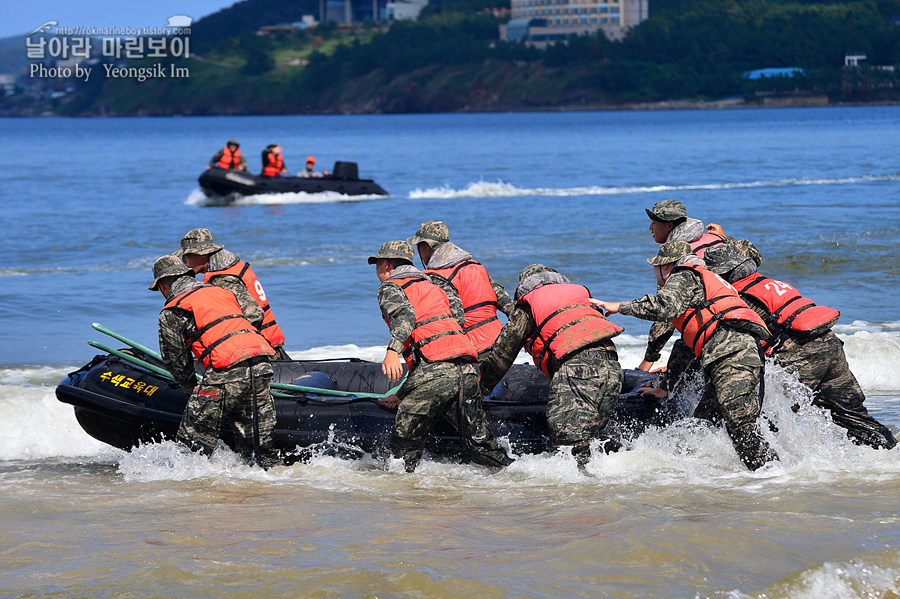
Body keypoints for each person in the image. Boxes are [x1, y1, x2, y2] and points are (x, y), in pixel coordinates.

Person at [594, 240, 779, 471]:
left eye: (656, 266)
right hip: (731, 354)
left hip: (732, 354)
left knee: (740, 428)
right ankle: (724, 482)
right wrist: (665, 388)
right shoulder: (702, 289)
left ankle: (777, 478)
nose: (654, 272)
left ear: (666, 266)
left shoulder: (684, 274)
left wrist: (619, 307)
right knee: (705, 424)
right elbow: (685, 347)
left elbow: (664, 307)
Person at [703, 243, 896, 449]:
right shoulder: (771, 283)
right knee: (855, 418)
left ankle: (775, 475)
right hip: (830, 346)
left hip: (802, 355)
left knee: (768, 422)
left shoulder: (738, 298)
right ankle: (891, 456)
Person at [369, 240, 512, 472]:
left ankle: (401, 501)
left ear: (385, 265)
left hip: (435, 371)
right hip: (466, 368)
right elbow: (457, 320)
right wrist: (404, 392)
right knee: (480, 444)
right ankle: (514, 472)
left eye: (377, 265)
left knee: (403, 452)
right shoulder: (435, 284)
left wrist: (392, 351)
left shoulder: (390, 287)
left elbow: (405, 317)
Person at [479, 264, 625, 466]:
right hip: (612, 370)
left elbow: (502, 354)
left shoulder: (529, 306)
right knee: (588, 448)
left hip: (577, 371)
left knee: (568, 455)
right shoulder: (579, 298)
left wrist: (481, 388)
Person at [148, 254, 280, 468]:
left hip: (225, 372)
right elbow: (255, 312)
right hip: (261, 363)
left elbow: (176, 362)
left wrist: (192, 391)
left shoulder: (173, 310)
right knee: (260, 452)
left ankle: (187, 495)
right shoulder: (222, 291)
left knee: (189, 451)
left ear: (163, 285)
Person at [638, 199, 763, 372]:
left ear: (669, 226)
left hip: (729, 317)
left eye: (654, 223)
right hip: (753, 305)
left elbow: (666, 316)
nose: (650, 228)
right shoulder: (712, 238)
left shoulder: (677, 258)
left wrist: (647, 362)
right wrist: (725, 238)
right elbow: (754, 256)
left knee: (688, 339)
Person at [408, 220, 514, 362]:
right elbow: (509, 306)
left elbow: (454, 320)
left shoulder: (437, 276)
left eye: (418, 246)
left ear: (426, 246)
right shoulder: (475, 266)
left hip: (473, 349)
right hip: (500, 342)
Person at [178, 228, 290, 360]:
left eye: (186, 255)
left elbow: (253, 315)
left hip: (261, 350)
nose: (183, 260)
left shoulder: (223, 278)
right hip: (269, 343)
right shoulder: (232, 265)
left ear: (202, 254)